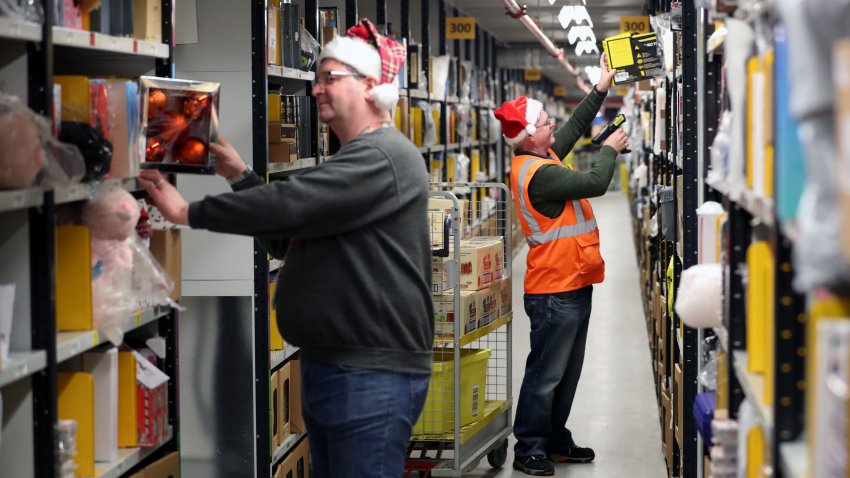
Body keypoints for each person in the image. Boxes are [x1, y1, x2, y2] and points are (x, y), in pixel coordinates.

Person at [141, 19, 433, 478]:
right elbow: (288, 241)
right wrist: (239, 175)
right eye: (316, 79)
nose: (317, 89)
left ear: (369, 86)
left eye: (330, 78)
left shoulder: (382, 158)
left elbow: (293, 200)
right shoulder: (353, 163)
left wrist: (188, 214)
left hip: (371, 374)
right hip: (338, 366)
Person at [494, 54, 629, 476]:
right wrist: (608, 149)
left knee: (567, 372)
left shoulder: (540, 156)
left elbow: (570, 129)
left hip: (573, 280)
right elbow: (594, 182)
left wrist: (601, 86)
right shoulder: (539, 174)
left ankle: (554, 438)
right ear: (531, 136)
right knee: (546, 374)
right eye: (546, 124)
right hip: (554, 289)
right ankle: (530, 447)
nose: (554, 127)